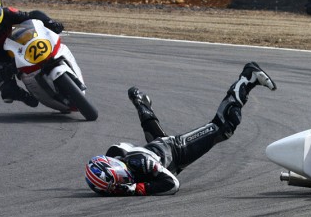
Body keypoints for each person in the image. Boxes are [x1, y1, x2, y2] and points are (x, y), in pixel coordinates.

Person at [85, 62, 277, 196]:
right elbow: (117, 151)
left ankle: (247, 78)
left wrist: (136, 189)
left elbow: (171, 184)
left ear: (116, 170)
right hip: (159, 150)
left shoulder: (140, 162)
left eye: (113, 184)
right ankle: (142, 104)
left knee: (223, 127)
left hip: (177, 150)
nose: (115, 188)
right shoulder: (118, 160)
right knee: (156, 140)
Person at [0, 0, 66, 107]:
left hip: (19, 47)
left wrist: (50, 22)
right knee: (8, 92)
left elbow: (32, 15)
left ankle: (56, 62)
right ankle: (21, 94)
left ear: (0, 8)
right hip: (0, 60)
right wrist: (3, 67)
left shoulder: (9, 13)